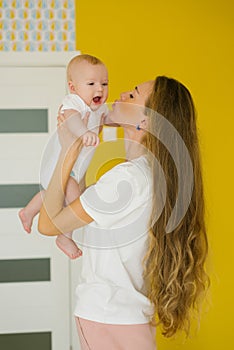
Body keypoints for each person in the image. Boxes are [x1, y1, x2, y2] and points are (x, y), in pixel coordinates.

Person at [38, 76, 209, 349]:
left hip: (106, 316)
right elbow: (75, 204)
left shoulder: (127, 179)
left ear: (147, 122)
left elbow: (48, 226)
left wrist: (69, 151)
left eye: (133, 96)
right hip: (128, 317)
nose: (120, 93)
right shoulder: (153, 175)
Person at [19, 54, 109, 259]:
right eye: (92, 83)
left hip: (75, 165)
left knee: (54, 196)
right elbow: (71, 119)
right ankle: (65, 236)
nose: (100, 89)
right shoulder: (74, 102)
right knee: (73, 198)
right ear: (73, 87)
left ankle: (29, 211)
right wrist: (84, 132)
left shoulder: (99, 107)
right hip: (61, 161)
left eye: (105, 83)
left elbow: (107, 117)